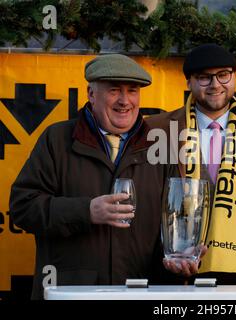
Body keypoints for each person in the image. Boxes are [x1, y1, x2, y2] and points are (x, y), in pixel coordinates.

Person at [9, 54, 172, 299]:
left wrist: (177, 262)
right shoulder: (57, 139)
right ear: (91, 94)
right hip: (72, 293)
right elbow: (23, 207)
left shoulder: (159, 146)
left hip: (139, 293)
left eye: (133, 90)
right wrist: (85, 211)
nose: (125, 101)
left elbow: (172, 220)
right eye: (114, 90)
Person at [146, 43, 236, 284]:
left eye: (223, 75)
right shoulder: (157, 128)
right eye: (204, 78)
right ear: (189, 83)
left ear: (235, 77)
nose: (215, 84)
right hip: (175, 274)